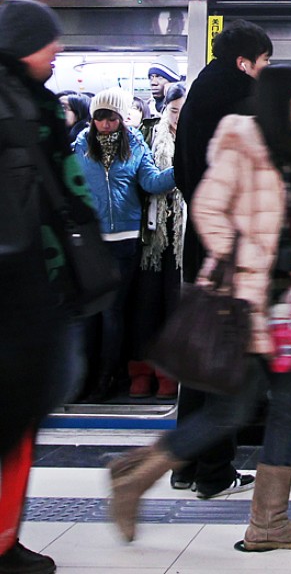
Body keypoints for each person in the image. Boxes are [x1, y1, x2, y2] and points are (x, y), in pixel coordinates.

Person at [107, 66, 291, 552]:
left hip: (279, 304)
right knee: (241, 408)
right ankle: (144, 479)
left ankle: (141, 476)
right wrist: (254, 257)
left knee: (262, 406)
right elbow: (207, 208)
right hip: (245, 301)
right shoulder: (242, 142)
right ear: (279, 98)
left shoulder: (290, 150)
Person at [0, 0, 95, 574]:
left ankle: (8, 538)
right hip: (17, 286)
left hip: (35, 281)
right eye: (49, 45)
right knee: (16, 414)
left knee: (23, 416)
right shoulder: (15, 106)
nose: (56, 56)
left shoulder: (29, 100)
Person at [171, 19, 272, 498]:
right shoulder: (238, 104)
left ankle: (185, 464)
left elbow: (181, 172)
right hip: (231, 243)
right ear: (243, 62)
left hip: (200, 237)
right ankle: (215, 470)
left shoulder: (196, 97)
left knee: (201, 355)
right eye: (264, 63)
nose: (265, 72)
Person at [71, 88, 176, 403]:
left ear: (121, 119)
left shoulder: (135, 146)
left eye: (111, 117)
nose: (105, 123)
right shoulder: (78, 148)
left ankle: (106, 377)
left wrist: (182, 167)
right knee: (90, 314)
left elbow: (152, 182)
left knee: (112, 312)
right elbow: (68, 188)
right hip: (91, 242)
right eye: (100, 117)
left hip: (125, 241)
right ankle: (84, 379)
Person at [130, 82, 187, 399]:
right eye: (174, 110)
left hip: (183, 232)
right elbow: (147, 180)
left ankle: (169, 375)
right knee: (146, 306)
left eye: (183, 110)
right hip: (152, 232)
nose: (178, 117)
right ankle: (141, 372)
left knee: (175, 305)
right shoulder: (151, 136)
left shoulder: (198, 135)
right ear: (165, 109)